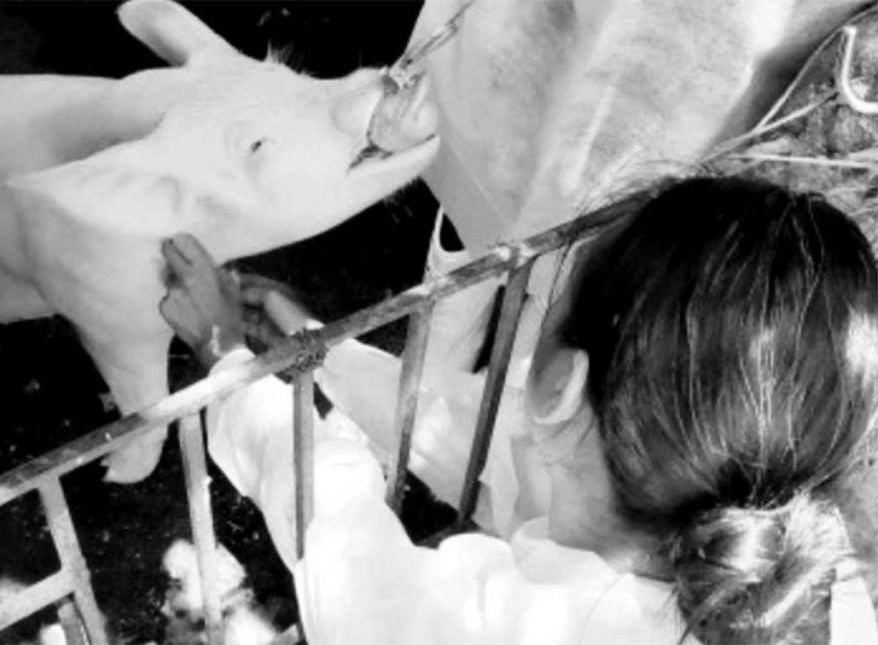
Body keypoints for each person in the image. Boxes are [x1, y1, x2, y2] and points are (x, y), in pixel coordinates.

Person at [159, 176, 878, 645]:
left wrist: (227, 361)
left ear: (559, 383)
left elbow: (337, 533)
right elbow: (476, 441)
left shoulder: (491, 629)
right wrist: (325, 352)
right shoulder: (812, 582)